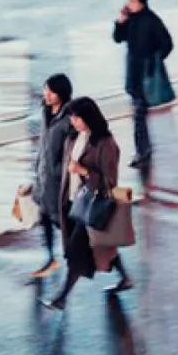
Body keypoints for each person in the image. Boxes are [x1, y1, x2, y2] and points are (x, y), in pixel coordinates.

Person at [40, 97, 133, 311]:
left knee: (76, 253)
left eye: (76, 117)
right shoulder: (73, 138)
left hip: (92, 204)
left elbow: (109, 180)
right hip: (73, 201)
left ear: (88, 117)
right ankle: (126, 278)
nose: (73, 121)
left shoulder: (106, 143)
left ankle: (62, 298)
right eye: (71, 116)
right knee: (102, 246)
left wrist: (83, 171)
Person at [112, 0, 173, 168]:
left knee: (139, 114)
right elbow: (117, 38)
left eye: (132, 0)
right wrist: (120, 21)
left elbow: (167, 44)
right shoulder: (130, 18)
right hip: (133, 72)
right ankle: (144, 149)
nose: (128, 3)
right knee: (139, 114)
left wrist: (154, 61)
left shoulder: (152, 21)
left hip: (144, 75)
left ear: (141, 2)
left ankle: (142, 151)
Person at [25, 74, 75, 278]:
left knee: (81, 237)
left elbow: (74, 152)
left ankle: (118, 269)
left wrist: (57, 171)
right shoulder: (46, 111)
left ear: (61, 95)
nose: (46, 94)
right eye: (45, 89)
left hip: (60, 185)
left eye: (51, 91)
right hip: (46, 181)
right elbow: (44, 146)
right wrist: (36, 174)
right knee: (44, 218)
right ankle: (50, 259)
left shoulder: (70, 120)